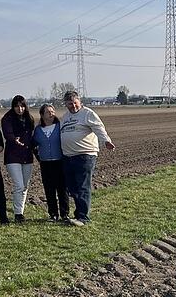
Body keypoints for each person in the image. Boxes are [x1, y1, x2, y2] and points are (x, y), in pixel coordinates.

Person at [59, 91, 114, 225]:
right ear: (66, 104)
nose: (73, 106)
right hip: (68, 157)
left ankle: (83, 217)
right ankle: (78, 214)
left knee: (82, 185)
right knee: (72, 186)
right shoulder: (65, 117)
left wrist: (106, 140)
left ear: (79, 102)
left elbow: (98, 127)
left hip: (85, 155)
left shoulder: (87, 113)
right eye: (70, 104)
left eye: (75, 103)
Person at [32, 103, 71, 224]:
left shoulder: (60, 127)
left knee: (62, 189)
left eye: (53, 111)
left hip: (60, 162)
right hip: (46, 164)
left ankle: (65, 214)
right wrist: (39, 157)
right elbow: (33, 145)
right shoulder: (38, 130)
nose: (51, 114)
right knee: (49, 190)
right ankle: (53, 214)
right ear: (42, 115)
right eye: (48, 112)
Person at [1, 95, 35, 223]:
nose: (20, 109)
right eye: (17, 106)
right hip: (13, 156)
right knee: (19, 185)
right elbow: (8, 133)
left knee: (25, 186)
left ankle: (21, 211)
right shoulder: (7, 118)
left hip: (27, 155)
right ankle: (18, 214)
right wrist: (14, 139)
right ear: (13, 107)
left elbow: (32, 137)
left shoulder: (29, 118)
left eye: (22, 106)